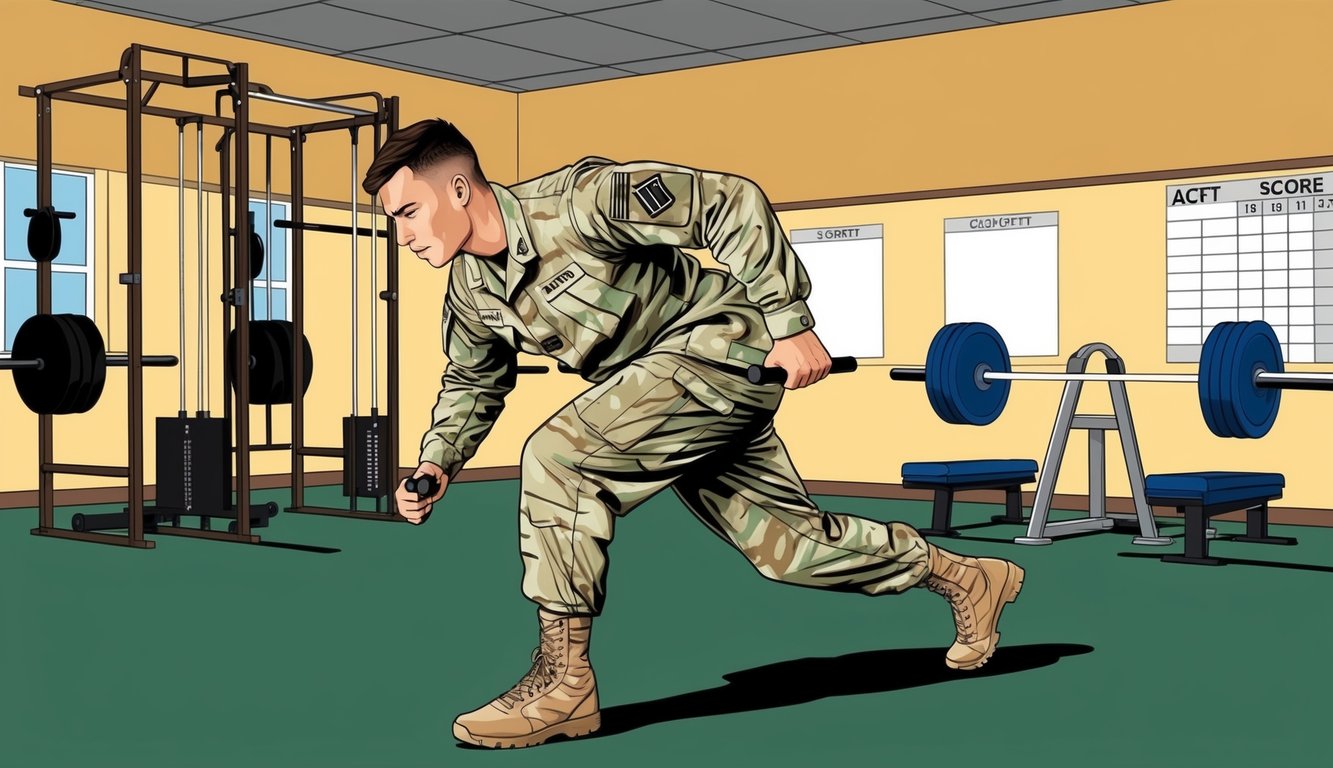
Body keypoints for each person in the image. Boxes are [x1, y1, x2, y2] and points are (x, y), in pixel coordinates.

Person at [363, 119, 1025, 750]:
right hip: (658, 400)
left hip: (717, 352)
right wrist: (437, 460)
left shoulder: (578, 203)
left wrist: (789, 321)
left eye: (407, 212)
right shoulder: (472, 291)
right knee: (791, 550)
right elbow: (473, 379)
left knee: (559, 459)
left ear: (456, 189)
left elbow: (727, 203)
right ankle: (965, 578)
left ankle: (564, 682)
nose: (402, 235)